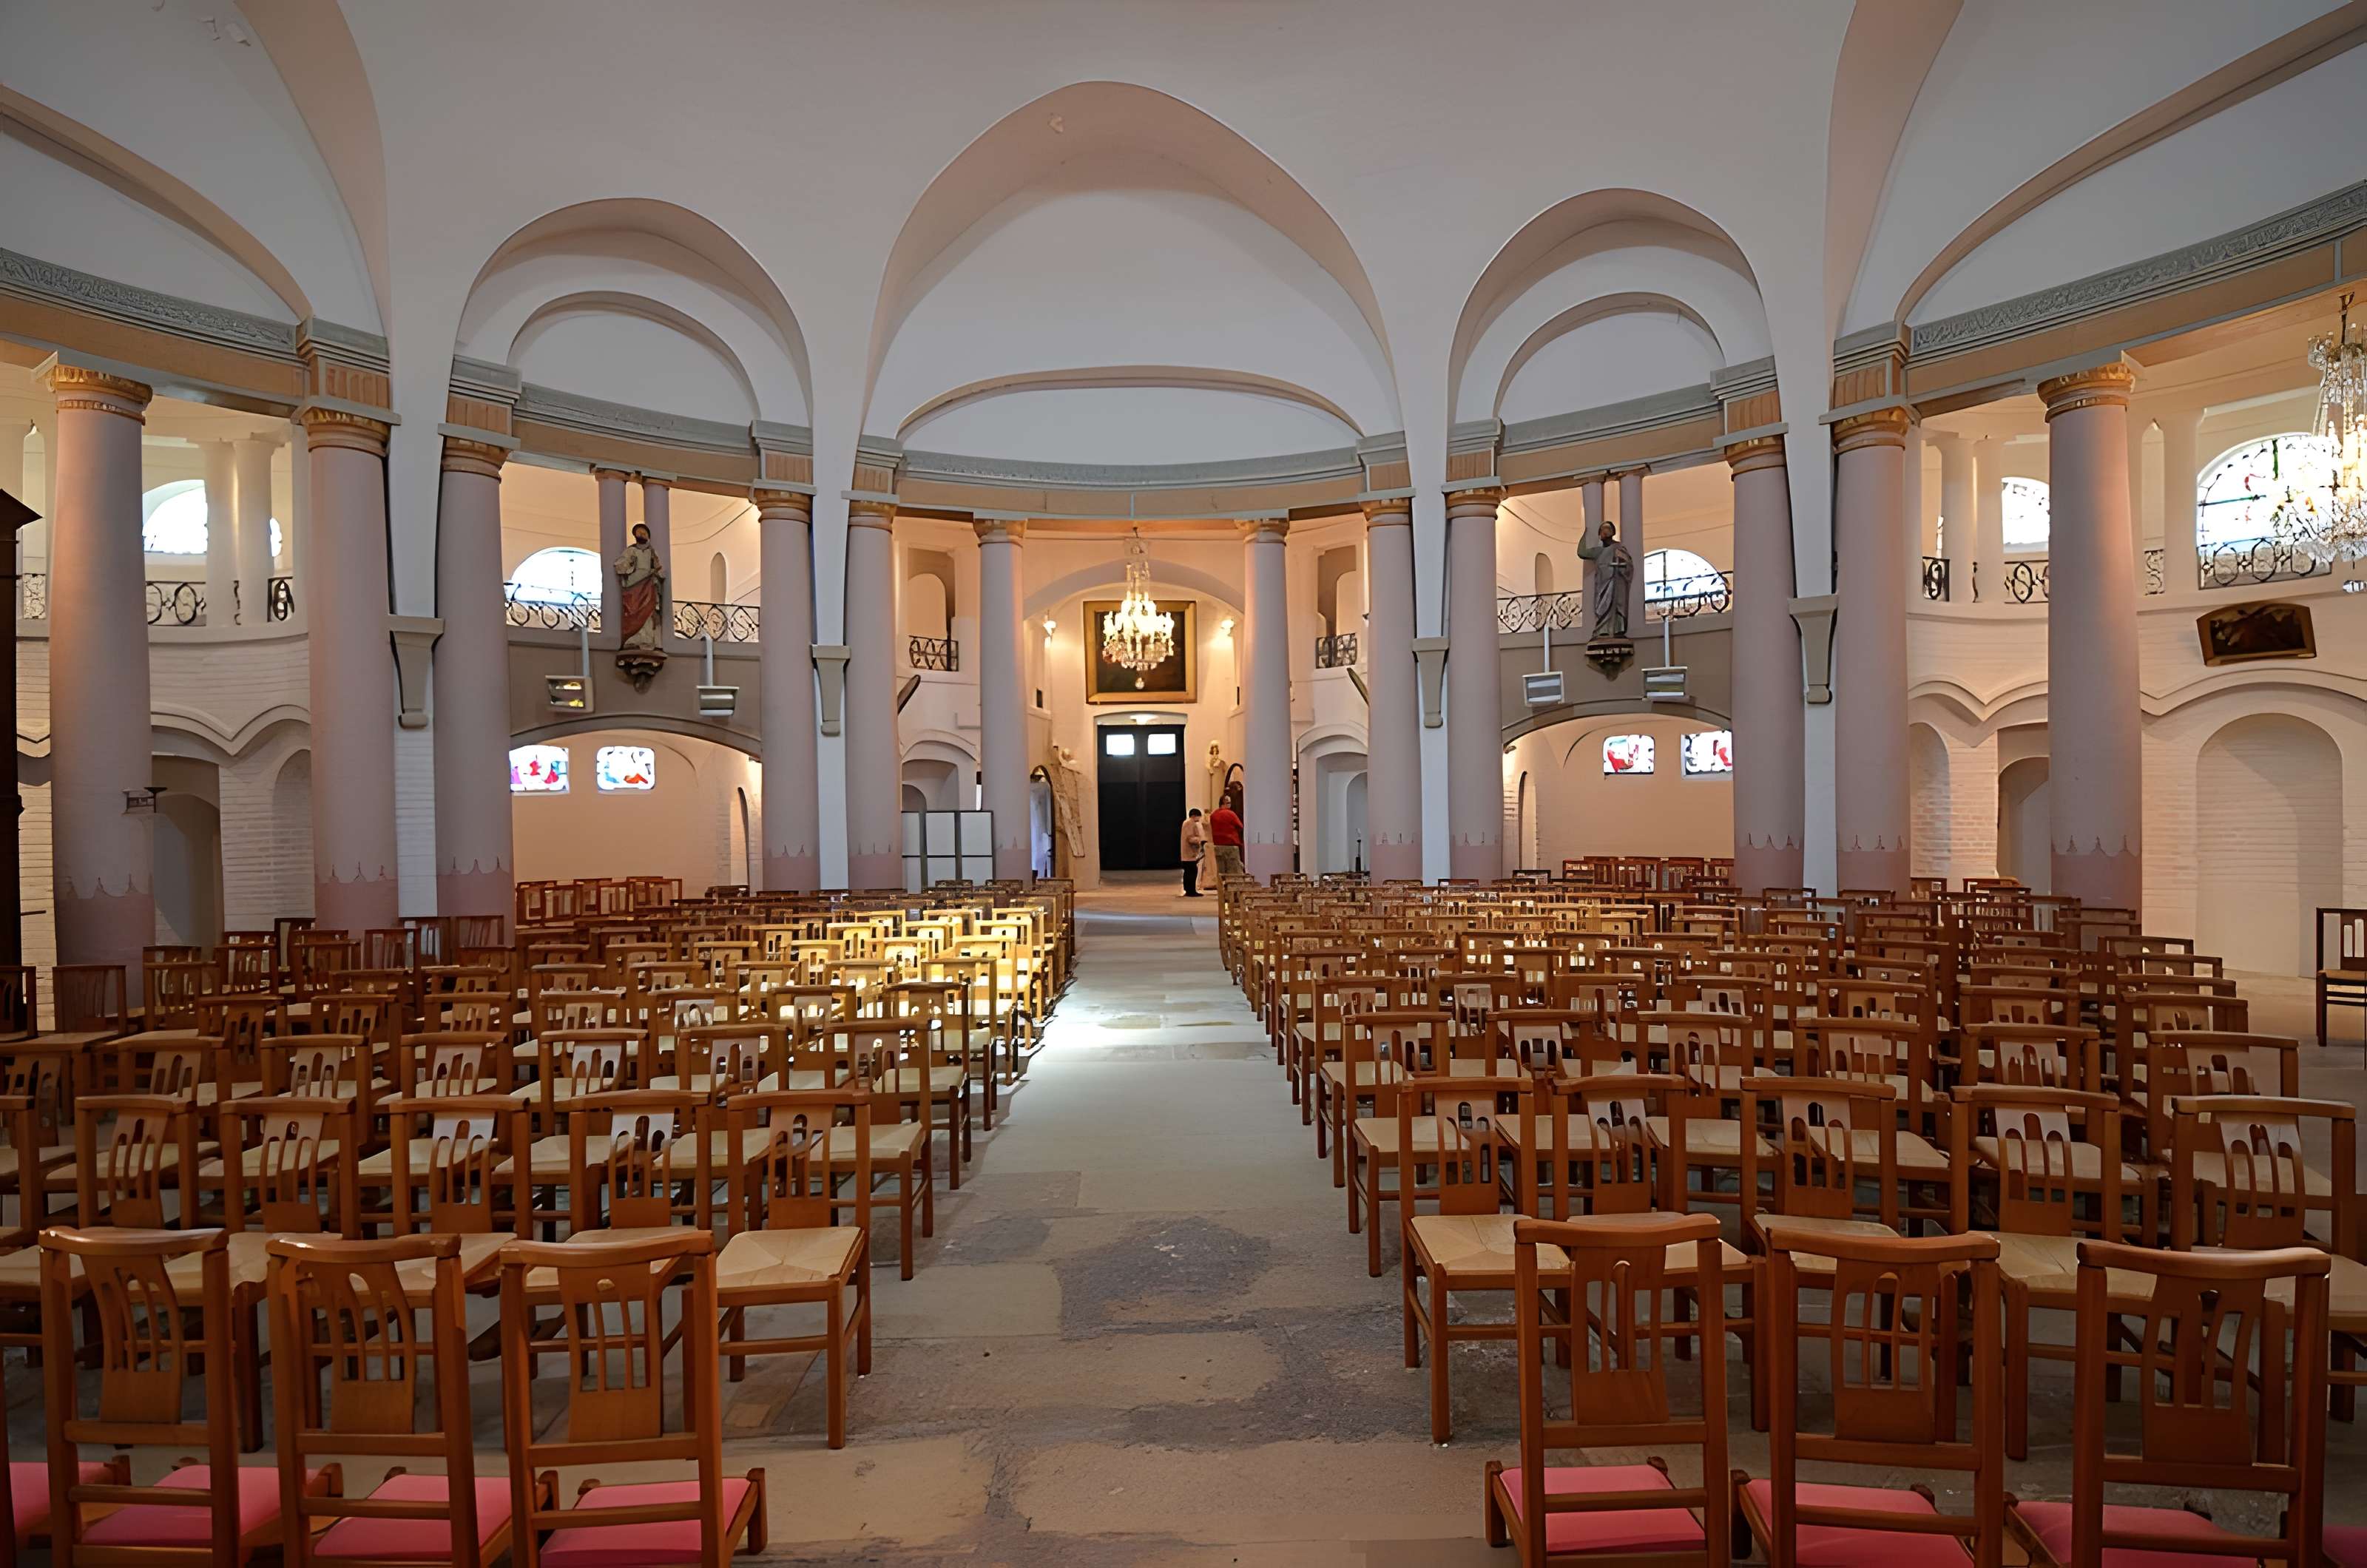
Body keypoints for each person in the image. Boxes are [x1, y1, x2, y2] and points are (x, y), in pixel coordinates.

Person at [1209, 793, 1245, 880]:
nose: (1230, 805)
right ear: (1224, 803)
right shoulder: (1231, 814)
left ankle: (1222, 892)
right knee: (1234, 873)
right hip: (1231, 845)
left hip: (1218, 846)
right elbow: (1240, 826)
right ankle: (1232, 893)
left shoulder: (1213, 815)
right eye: (1229, 803)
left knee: (1221, 873)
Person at [1179, 808, 1209, 897]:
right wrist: (1200, 840)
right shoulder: (1189, 823)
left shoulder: (1188, 823)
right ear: (1194, 816)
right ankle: (1190, 891)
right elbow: (1190, 838)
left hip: (1189, 854)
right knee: (1191, 872)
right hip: (1189, 854)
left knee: (1190, 871)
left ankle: (1190, 890)